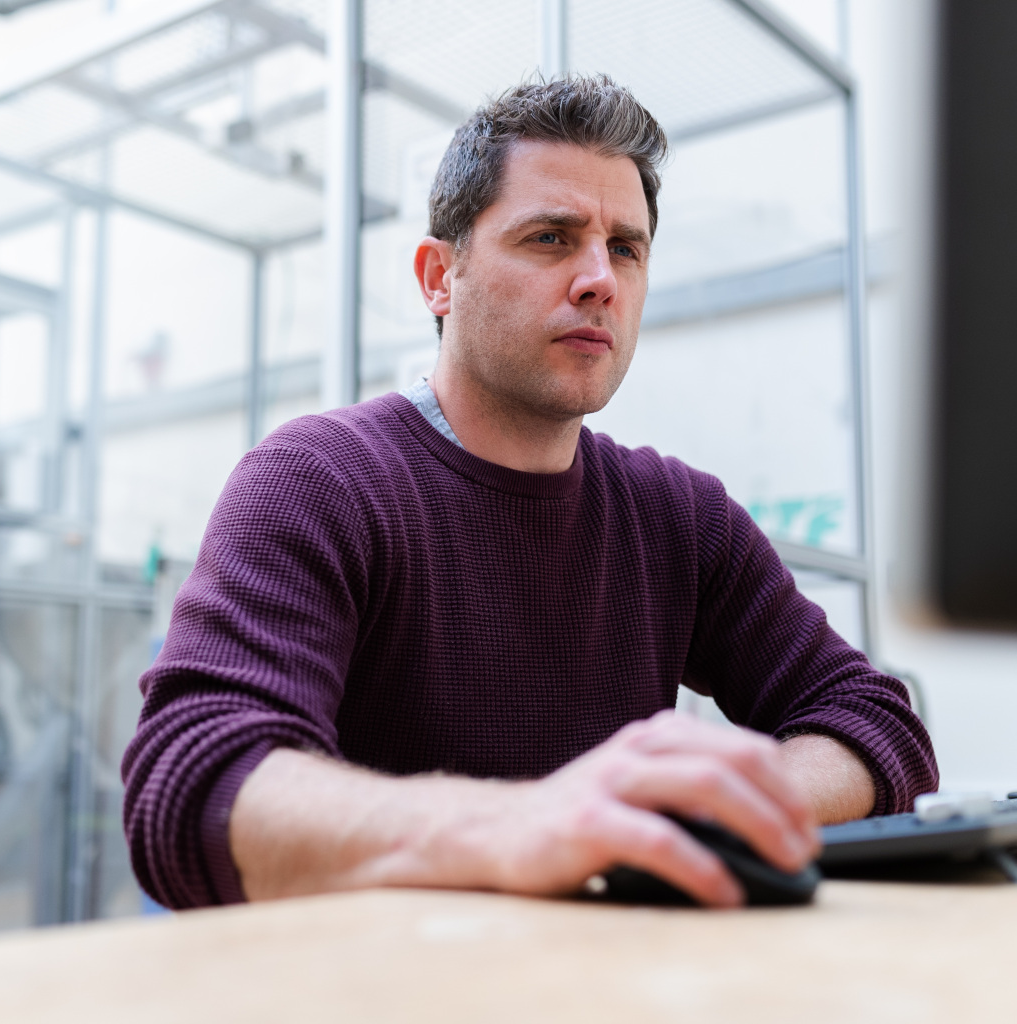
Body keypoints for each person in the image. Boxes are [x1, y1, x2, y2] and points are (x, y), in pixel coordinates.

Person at [122, 76, 937, 912]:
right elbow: (192, 786)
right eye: (551, 237)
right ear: (440, 277)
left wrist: (705, 809)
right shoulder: (320, 481)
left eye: (625, 247)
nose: (599, 281)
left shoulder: (678, 517)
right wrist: (524, 823)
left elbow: (874, 720)